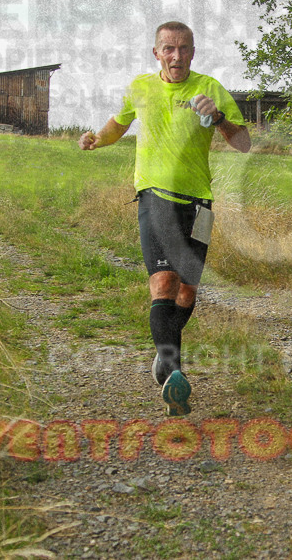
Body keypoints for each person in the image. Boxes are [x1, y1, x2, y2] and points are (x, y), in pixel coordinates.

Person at [78, 21, 251, 416]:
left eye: (184, 48)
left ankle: (163, 356)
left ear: (193, 51)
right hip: (154, 196)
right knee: (164, 282)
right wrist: (96, 140)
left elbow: (243, 144)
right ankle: (174, 374)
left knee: (188, 293)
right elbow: (118, 124)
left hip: (200, 203)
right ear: (156, 53)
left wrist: (221, 118)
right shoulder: (140, 87)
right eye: (168, 49)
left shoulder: (210, 89)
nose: (177, 56)